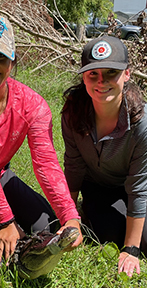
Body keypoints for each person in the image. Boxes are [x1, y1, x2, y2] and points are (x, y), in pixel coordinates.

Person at [61, 35, 147, 277]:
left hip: (145, 182)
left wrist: (131, 249)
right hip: (102, 181)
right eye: (93, 74)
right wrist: (67, 217)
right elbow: (74, 166)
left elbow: (138, 189)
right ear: (83, 77)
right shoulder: (72, 113)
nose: (102, 81)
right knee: (104, 233)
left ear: (127, 74)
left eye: (111, 72)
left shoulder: (144, 123)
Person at [0, 16, 83, 265]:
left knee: (49, 225)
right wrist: (5, 220)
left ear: (12, 61)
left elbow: (46, 163)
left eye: (0, 59)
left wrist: (70, 215)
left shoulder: (31, 105)